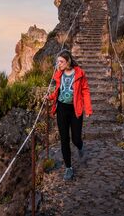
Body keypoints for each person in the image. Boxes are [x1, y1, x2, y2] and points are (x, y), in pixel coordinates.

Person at [48, 49, 93, 180]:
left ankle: (80, 146)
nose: (58, 64)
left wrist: (88, 109)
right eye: (57, 62)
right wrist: (50, 97)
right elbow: (58, 91)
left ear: (68, 61)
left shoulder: (79, 73)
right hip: (61, 108)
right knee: (64, 140)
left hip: (75, 109)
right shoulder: (58, 74)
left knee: (76, 138)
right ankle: (68, 168)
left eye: (61, 62)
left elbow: (85, 91)